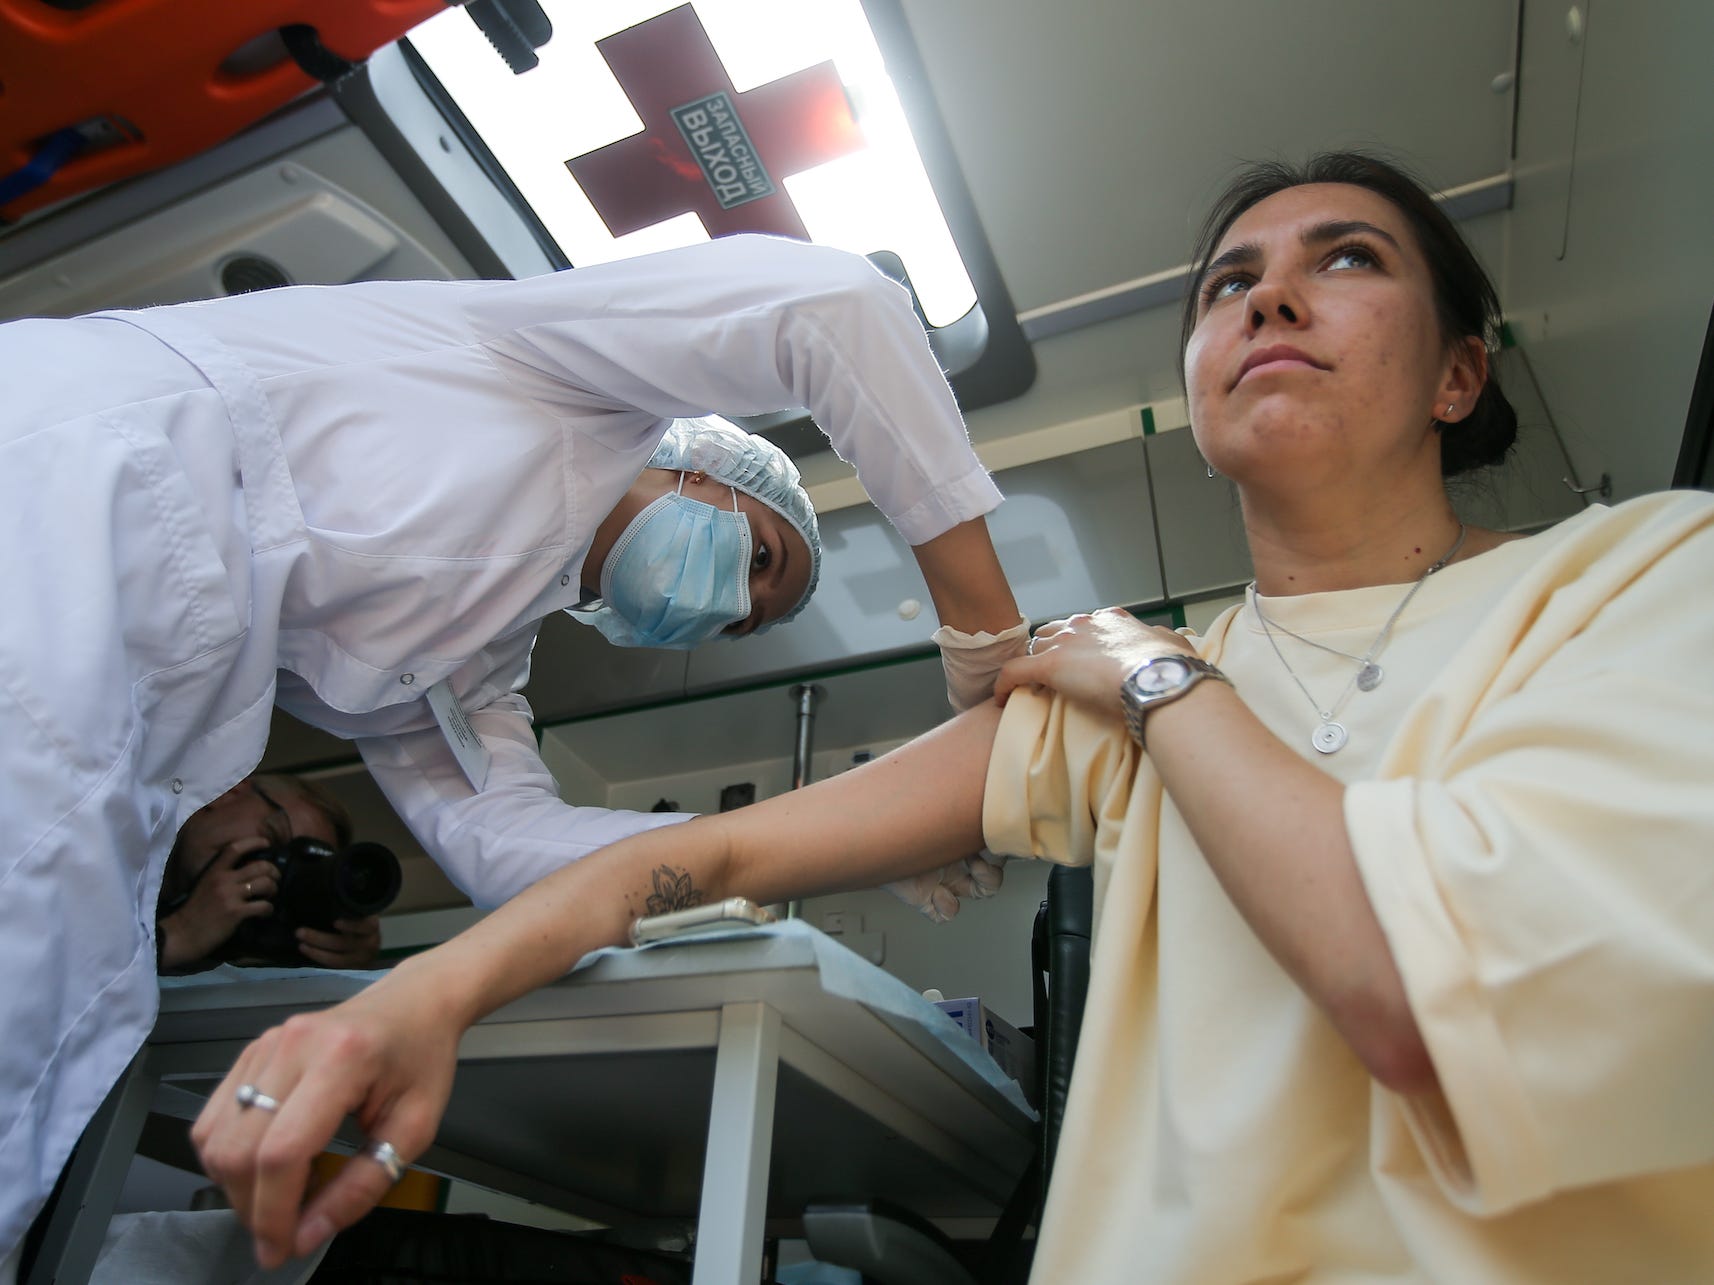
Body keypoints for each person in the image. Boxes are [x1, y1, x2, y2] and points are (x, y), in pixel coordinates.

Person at [192, 151, 1714, 1277]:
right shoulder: (1090, 702)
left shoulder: (1642, 578)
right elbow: (704, 865)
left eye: (1347, 260)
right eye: (1226, 281)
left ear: (1458, 374)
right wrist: (414, 999)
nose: (1268, 294)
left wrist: (1145, 671)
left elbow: (1415, 995)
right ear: (1194, 388)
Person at [0, 233, 1028, 1269]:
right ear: (699, 462)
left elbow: (503, 846)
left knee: (66, 998)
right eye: (758, 556)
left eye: (745, 621)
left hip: (119, 683)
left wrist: (864, 839)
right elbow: (834, 301)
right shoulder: (560, 378)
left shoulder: (471, 666)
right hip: (71, 491)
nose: (731, 600)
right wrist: (986, 639)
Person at [157, 774, 382, 973]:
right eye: (273, 837)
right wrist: (179, 935)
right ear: (228, 792)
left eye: (289, 871)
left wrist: (348, 960)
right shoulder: (125, 838)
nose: (266, 870)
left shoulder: (248, 930)